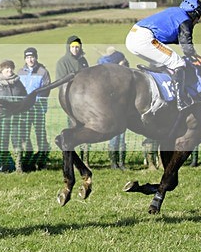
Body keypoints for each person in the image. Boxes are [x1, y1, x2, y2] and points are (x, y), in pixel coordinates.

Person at [125, 0, 201, 111]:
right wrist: (193, 54)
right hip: (144, 38)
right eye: (199, 16)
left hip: (133, 37)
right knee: (178, 63)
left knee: (164, 62)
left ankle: (161, 93)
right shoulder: (185, 20)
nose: (198, 20)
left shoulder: (175, 12)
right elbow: (186, 46)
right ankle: (181, 101)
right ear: (194, 13)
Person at [56, 35, 90, 163]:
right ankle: (72, 159)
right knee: (74, 130)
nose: (75, 49)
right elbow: (61, 82)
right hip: (72, 102)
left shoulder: (83, 60)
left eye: (77, 47)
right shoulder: (62, 62)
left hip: (87, 101)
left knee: (88, 129)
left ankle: (85, 159)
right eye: (73, 47)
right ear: (68, 48)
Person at [0, 60, 28, 173]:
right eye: (7, 68)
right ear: (1, 71)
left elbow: (24, 97)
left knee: (17, 142)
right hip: (1, 117)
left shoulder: (18, 83)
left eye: (11, 68)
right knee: (3, 142)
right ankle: (3, 166)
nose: (9, 70)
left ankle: (18, 167)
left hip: (16, 117)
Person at [18, 47, 51, 171]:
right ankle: (28, 160)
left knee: (40, 135)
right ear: (25, 59)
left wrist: (35, 101)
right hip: (25, 110)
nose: (30, 60)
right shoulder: (21, 72)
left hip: (38, 108)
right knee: (25, 135)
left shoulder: (43, 72)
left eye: (32, 57)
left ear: (36, 57)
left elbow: (46, 89)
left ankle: (42, 161)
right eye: (27, 57)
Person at [97, 47, 130, 169]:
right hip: (115, 109)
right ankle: (116, 162)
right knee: (117, 136)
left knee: (120, 137)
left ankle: (119, 162)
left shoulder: (108, 70)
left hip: (120, 109)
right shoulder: (112, 74)